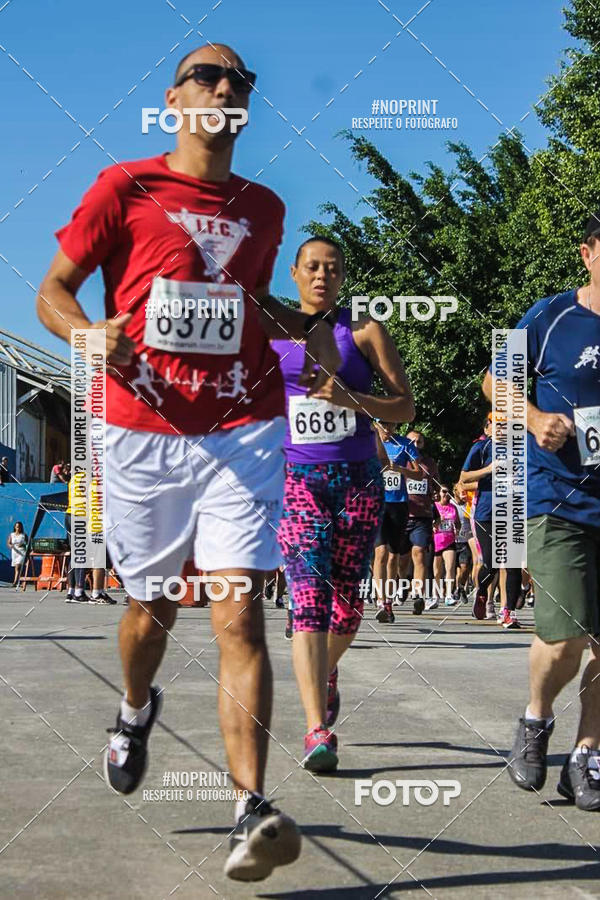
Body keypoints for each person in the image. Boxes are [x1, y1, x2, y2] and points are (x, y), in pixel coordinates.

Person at [37, 43, 343, 880]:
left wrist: (301, 337)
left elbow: (238, 301)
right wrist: (85, 334)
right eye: (207, 75)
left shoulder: (267, 208)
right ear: (173, 100)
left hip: (242, 428)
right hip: (144, 431)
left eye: (240, 80)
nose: (225, 86)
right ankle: (135, 709)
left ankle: (252, 806)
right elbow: (52, 291)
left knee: (240, 612)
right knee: (151, 610)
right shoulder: (123, 188)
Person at [272, 236, 414, 772]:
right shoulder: (273, 337)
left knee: (347, 610)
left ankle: (325, 672)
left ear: (343, 275)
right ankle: (316, 729)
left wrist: (353, 399)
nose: (321, 276)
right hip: (298, 482)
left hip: (357, 480)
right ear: (294, 273)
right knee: (307, 602)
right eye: (312, 267)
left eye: (332, 268)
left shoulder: (365, 331)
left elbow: (404, 406)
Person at [486, 212, 600, 810]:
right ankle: (536, 720)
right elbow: (493, 379)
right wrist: (531, 418)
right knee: (566, 637)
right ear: (587, 253)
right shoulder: (552, 315)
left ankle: (586, 754)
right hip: (559, 499)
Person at [460, 414, 522, 627]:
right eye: (497, 424)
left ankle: (508, 612)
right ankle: (481, 592)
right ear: (488, 428)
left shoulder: (520, 449)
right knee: (492, 563)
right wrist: (489, 469)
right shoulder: (481, 448)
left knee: (513, 564)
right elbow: (464, 478)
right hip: (486, 513)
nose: (502, 428)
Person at [372, 420, 420, 623]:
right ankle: (382, 601)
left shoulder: (404, 444)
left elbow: (419, 475)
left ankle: (389, 602)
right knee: (380, 553)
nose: (387, 429)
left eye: (391, 425)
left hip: (398, 505)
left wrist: (399, 469)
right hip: (377, 503)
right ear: (376, 426)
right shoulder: (369, 444)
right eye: (383, 425)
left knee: (393, 557)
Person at [400, 431, 439, 614]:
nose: (415, 445)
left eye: (419, 441)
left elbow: (436, 487)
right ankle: (403, 583)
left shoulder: (430, 463)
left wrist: (436, 495)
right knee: (401, 559)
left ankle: (418, 596)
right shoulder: (399, 461)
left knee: (419, 553)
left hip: (422, 516)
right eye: (412, 441)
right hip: (401, 514)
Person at [64, 470, 90, 603]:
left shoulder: (72, 479)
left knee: (74, 554)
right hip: (79, 516)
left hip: (69, 515)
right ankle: (79, 592)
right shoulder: (86, 478)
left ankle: (70, 591)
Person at [432, 486, 460, 606]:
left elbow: (458, 523)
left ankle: (448, 595)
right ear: (439, 493)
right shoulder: (435, 506)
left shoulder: (453, 508)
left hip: (449, 540)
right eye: (444, 491)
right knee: (437, 571)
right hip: (436, 541)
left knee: (450, 567)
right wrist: (436, 522)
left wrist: (457, 530)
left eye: (448, 491)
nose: (446, 494)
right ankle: (435, 596)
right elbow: (428, 522)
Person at [452, 483, 472, 603]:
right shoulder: (451, 505)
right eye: (461, 491)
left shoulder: (468, 505)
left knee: (465, 568)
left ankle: (460, 586)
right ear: (455, 491)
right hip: (452, 541)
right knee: (452, 569)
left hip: (465, 541)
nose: (464, 493)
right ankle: (455, 590)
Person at [7, 521, 27, 587]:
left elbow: (28, 544)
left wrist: (23, 544)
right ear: (15, 527)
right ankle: (19, 581)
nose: (18, 528)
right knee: (17, 567)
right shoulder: (11, 534)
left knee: (18, 566)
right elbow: (9, 543)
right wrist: (10, 546)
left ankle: (15, 582)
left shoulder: (24, 535)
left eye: (19, 527)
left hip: (22, 552)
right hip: (14, 552)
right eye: (17, 527)